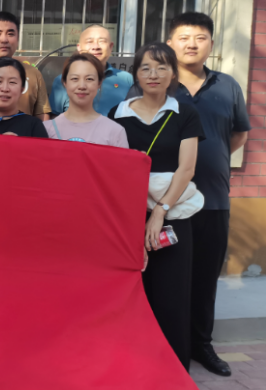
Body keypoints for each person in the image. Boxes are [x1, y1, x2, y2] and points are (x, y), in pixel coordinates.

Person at [108, 42, 205, 371]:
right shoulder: (117, 115)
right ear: (135, 74)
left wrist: (160, 211)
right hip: (127, 217)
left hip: (172, 214)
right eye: (146, 67)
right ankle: (135, 366)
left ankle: (173, 369)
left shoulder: (185, 114)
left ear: (173, 74)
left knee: (171, 295)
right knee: (133, 293)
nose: (154, 74)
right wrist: (138, 217)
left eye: (162, 67)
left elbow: (187, 169)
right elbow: (112, 169)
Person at [167, 13, 250, 377]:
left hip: (214, 200)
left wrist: (210, 158)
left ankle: (201, 343)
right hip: (168, 204)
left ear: (211, 45)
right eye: (184, 37)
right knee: (169, 278)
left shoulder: (227, 85)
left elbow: (238, 134)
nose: (191, 44)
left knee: (204, 279)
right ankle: (168, 344)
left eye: (200, 38)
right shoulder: (158, 84)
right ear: (170, 43)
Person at [43, 53, 128, 147]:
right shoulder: (45, 130)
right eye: (75, 78)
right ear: (65, 83)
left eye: (89, 79)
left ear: (99, 83)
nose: (82, 86)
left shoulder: (115, 132)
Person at [50, 24, 133, 116]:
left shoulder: (126, 79)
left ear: (110, 47)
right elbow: (55, 116)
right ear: (79, 47)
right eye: (89, 41)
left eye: (102, 41)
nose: (96, 47)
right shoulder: (63, 80)